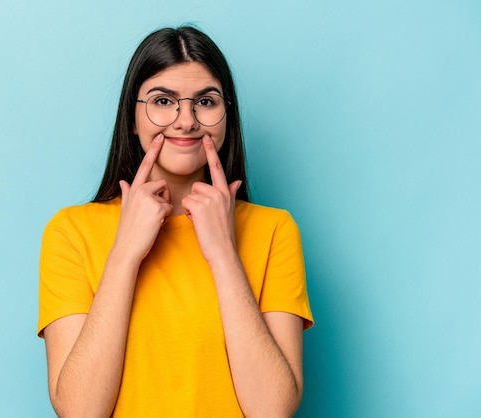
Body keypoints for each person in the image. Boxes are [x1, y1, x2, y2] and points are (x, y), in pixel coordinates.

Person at [37, 26, 313, 417]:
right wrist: (125, 254)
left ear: (226, 117)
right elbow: (80, 412)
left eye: (205, 101)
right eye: (163, 100)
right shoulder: (71, 232)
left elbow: (273, 411)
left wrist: (223, 254)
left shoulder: (274, 231)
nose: (185, 121)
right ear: (131, 119)